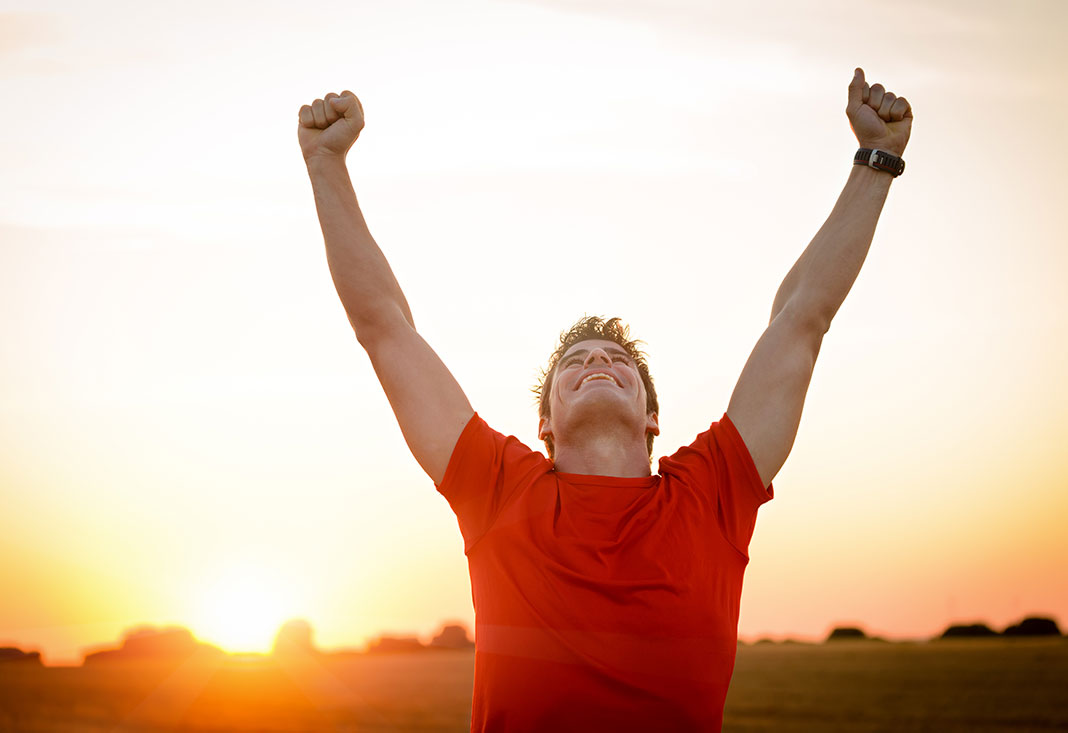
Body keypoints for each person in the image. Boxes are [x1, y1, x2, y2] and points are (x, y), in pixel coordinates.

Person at [297, 67, 912, 732]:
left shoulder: (712, 492)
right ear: (545, 425)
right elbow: (385, 327)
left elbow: (801, 319)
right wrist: (326, 160)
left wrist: (876, 160)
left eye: (618, 361)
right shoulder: (498, 488)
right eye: (576, 362)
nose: (597, 360)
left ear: (652, 416)